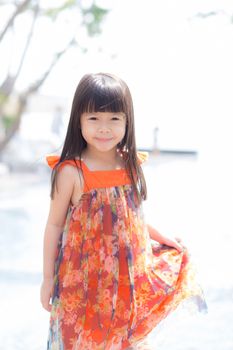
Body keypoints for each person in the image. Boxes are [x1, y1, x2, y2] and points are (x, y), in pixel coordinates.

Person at [40, 72, 207, 350]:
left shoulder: (131, 164)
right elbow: (54, 226)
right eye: (94, 118)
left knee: (128, 342)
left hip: (127, 280)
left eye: (114, 119)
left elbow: (132, 217)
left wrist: (161, 237)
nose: (104, 128)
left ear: (127, 121)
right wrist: (47, 279)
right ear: (78, 120)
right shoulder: (71, 172)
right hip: (82, 284)